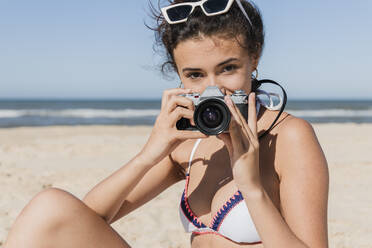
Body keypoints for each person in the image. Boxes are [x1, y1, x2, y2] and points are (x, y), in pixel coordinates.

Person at [4, 0, 329, 247]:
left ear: (254, 57)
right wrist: (150, 153)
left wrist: (252, 188)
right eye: (195, 75)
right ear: (178, 74)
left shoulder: (289, 137)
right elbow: (75, 223)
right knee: (50, 205)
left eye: (228, 68)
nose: (213, 87)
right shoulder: (191, 145)